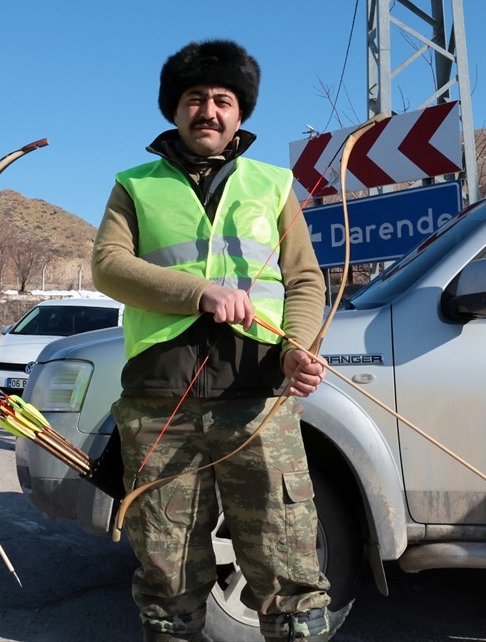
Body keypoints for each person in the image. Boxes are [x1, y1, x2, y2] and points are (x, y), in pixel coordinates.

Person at [91, 39, 334, 642]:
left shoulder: (274, 186)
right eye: (194, 99)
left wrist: (298, 346)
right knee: (166, 578)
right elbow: (108, 267)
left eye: (223, 100)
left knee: (290, 571)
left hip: (258, 401)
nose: (209, 111)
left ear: (241, 113)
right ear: (174, 110)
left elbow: (304, 279)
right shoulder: (134, 184)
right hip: (157, 404)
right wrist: (198, 292)